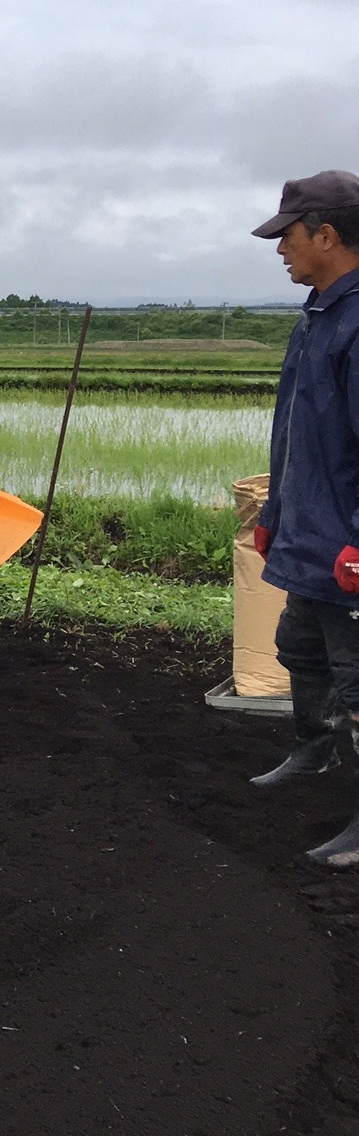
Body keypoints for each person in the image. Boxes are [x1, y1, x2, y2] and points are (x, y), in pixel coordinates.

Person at [242, 171, 359, 868]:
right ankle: (315, 751)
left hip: (346, 544)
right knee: (300, 651)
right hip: (310, 531)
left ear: (326, 234)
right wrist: (276, 515)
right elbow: (297, 433)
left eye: (286, 236)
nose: (279, 249)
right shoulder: (320, 313)